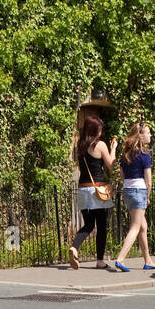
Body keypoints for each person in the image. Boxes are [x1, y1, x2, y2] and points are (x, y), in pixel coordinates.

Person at [69, 115, 117, 271]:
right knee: (102, 225)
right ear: (95, 130)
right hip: (97, 189)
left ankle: (75, 247)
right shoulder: (101, 145)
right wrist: (114, 148)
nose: (101, 132)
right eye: (100, 129)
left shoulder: (80, 146)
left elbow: (79, 166)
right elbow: (111, 165)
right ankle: (100, 260)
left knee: (88, 224)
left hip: (83, 188)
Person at [112, 122, 155, 272]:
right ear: (140, 135)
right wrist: (148, 196)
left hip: (128, 191)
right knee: (135, 227)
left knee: (143, 227)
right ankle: (120, 259)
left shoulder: (126, 154)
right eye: (148, 132)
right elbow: (149, 181)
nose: (150, 135)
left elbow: (122, 176)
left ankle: (148, 260)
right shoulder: (145, 155)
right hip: (139, 191)